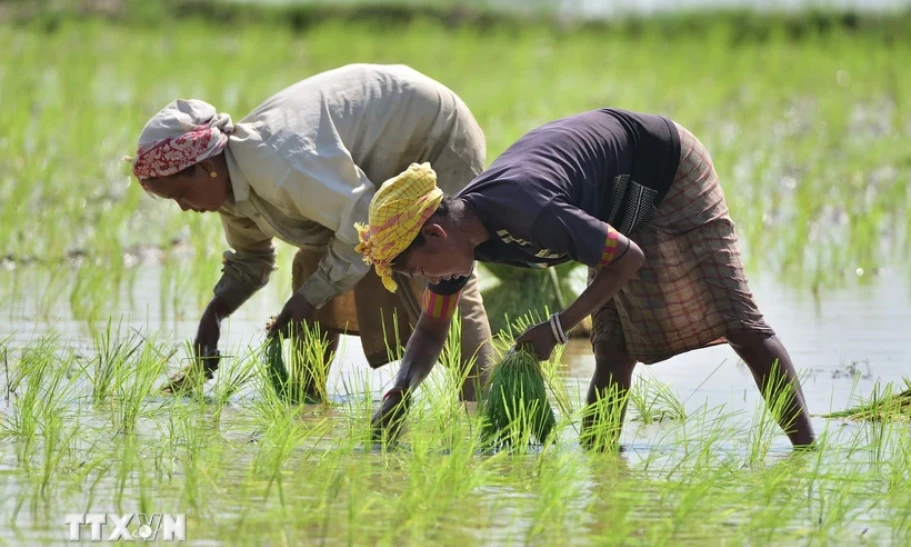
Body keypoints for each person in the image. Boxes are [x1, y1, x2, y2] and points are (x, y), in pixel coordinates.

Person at [358, 108, 815, 448]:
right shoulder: (459, 242)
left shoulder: (525, 210)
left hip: (666, 169)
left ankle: (806, 450)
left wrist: (557, 328)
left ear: (434, 234)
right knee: (613, 346)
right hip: (609, 204)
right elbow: (434, 327)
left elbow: (628, 257)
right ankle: (601, 462)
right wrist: (401, 389)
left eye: (419, 270)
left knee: (740, 323)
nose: (426, 280)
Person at [126, 64, 494, 401]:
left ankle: (486, 410)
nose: (185, 207)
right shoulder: (230, 190)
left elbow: (362, 225)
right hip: (371, 166)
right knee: (312, 269)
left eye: (181, 194)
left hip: (431, 134)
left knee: (442, 278)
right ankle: (307, 401)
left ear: (206, 167)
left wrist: (308, 298)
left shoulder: (277, 164)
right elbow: (252, 260)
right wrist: (215, 314)